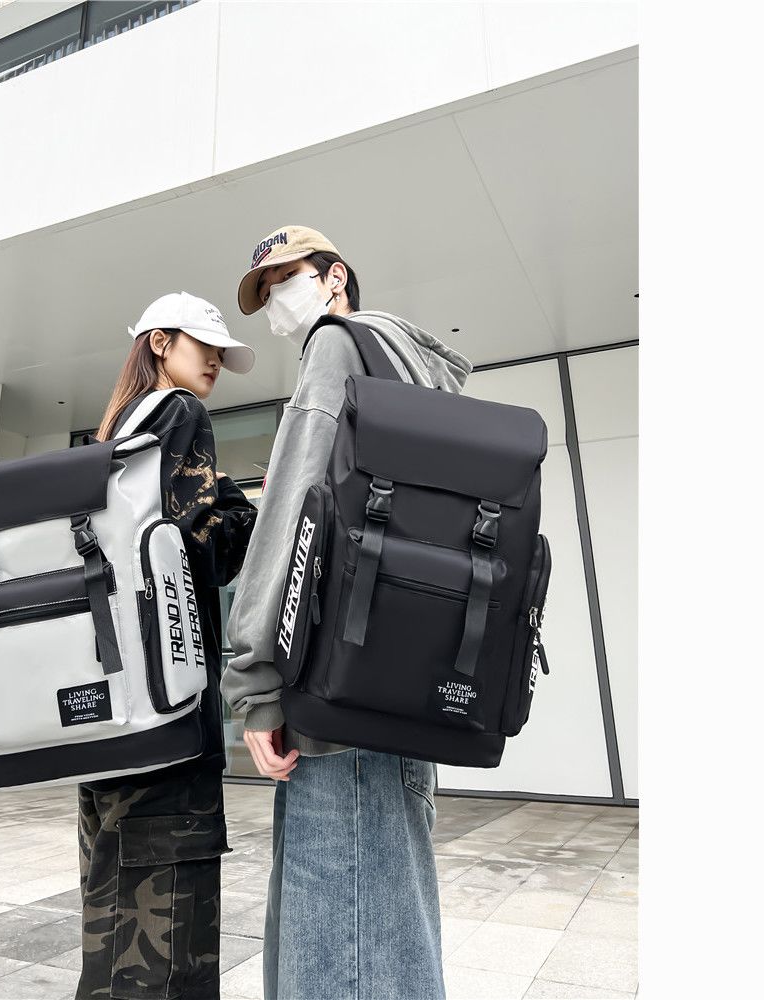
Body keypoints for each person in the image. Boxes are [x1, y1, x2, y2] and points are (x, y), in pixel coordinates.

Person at [221, 226, 473, 1000]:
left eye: (286, 279)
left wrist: (253, 681)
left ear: (334, 278)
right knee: (392, 940)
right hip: (399, 696)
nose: (277, 302)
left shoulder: (336, 346)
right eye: (265, 294)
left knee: (336, 959)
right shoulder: (410, 367)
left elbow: (294, 511)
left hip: (338, 703)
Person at [76, 291, 259, 1000]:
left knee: (111, 938)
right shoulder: (179, 413)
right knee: (170, 950)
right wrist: (245, 511)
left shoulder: (114, 436)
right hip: (169, 725)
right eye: (204, 344)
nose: (215, 360)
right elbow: (197, 553)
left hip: (111, 724)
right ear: (160, 343)